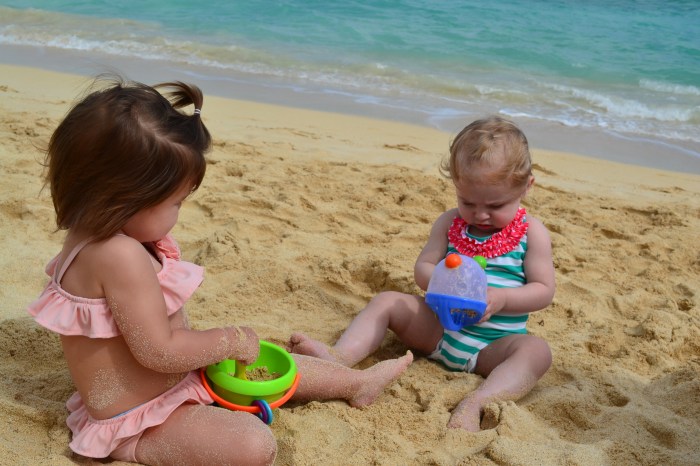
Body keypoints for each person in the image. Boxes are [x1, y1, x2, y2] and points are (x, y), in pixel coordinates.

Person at [27, 76, 413, 465]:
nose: (179, 212)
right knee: (253, 445)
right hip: (140, 418)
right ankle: (133, 450)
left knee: (278, 364)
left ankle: (357, 383)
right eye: (176, 202)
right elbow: (158, 351)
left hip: (180, 378)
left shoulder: (94, 233)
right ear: (123, 198)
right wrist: (226, 340)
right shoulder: (118, 255)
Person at [290, 116, 555, 432]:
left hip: (492, 346)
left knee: (537, 352)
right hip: (438, 331)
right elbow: (423, 268)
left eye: (495, 205)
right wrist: (442, 280)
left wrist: (502, 299)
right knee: (388, 301)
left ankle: (479, 401)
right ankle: (341, 356)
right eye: (467, 201)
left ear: (526, 187)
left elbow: (543, 289)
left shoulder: (532, 233)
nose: (480, 214)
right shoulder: (450, 223)